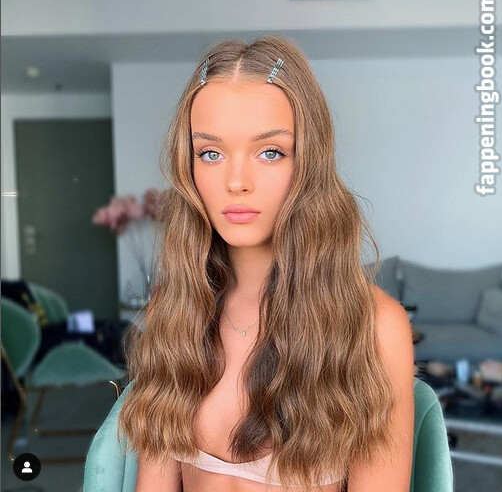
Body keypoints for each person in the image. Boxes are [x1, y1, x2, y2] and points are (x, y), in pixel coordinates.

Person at [118, 34, 415, 492]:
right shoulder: (173, 310)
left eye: (270, 152)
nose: (237, 181)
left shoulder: (374, 327)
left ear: (308, 164)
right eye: (211, 153)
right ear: (188, 166)